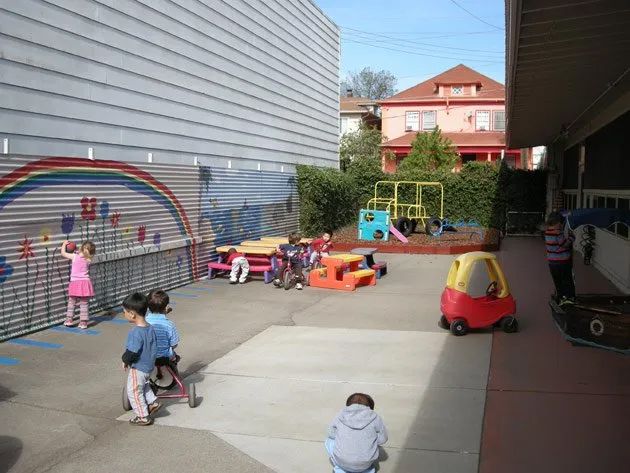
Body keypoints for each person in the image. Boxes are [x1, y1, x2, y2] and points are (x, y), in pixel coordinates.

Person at [122, 292, 159, 426]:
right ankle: (153, 401)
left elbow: (132, 351)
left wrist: (125, 360)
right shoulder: (150, 328)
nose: (124, 314)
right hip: (149, 365)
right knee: (143, 386)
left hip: (138, 367)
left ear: (132, 314)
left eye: (124, 312)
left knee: (134, 391)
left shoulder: (135, 332)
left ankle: (143, 416)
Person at [325, 393, 388, 473]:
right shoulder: (375, 417)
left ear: (348, 405)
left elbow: (330, 432)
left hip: (342, 461)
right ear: (370, 407)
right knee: (374, 441)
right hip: (366, 464)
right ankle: (367, 470)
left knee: (329, 440)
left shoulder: (341, 415)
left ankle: (340, 469)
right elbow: (383, 439)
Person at [60, 240, 96, 329]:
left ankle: (69, 320)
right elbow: (84, 254)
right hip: (84, 283)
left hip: (75, 282)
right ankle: (83, 322)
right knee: (84, 303)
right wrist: (78, 250)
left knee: (72, 302)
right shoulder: (89, 259)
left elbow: (63, 253)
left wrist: (64, 244)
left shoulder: (75, 256)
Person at [545, 211, 576, 303]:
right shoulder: (558, 232)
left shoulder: (547, 232)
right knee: (567, 280)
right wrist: (571, 238)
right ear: (556, 223)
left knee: (557, 281)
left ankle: (560, 297)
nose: (561, 225)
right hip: (563, 261)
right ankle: (570, 298)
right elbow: (564, 244)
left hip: (552, 262)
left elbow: (556, 244)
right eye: (560, 223)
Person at [145, 289, 180, 369]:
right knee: (175, 357)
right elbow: (174, 344)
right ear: (166, 307)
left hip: (147, 358)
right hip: (165, 358)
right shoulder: (169, 325)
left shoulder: (144, 322)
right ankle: (174, 376)